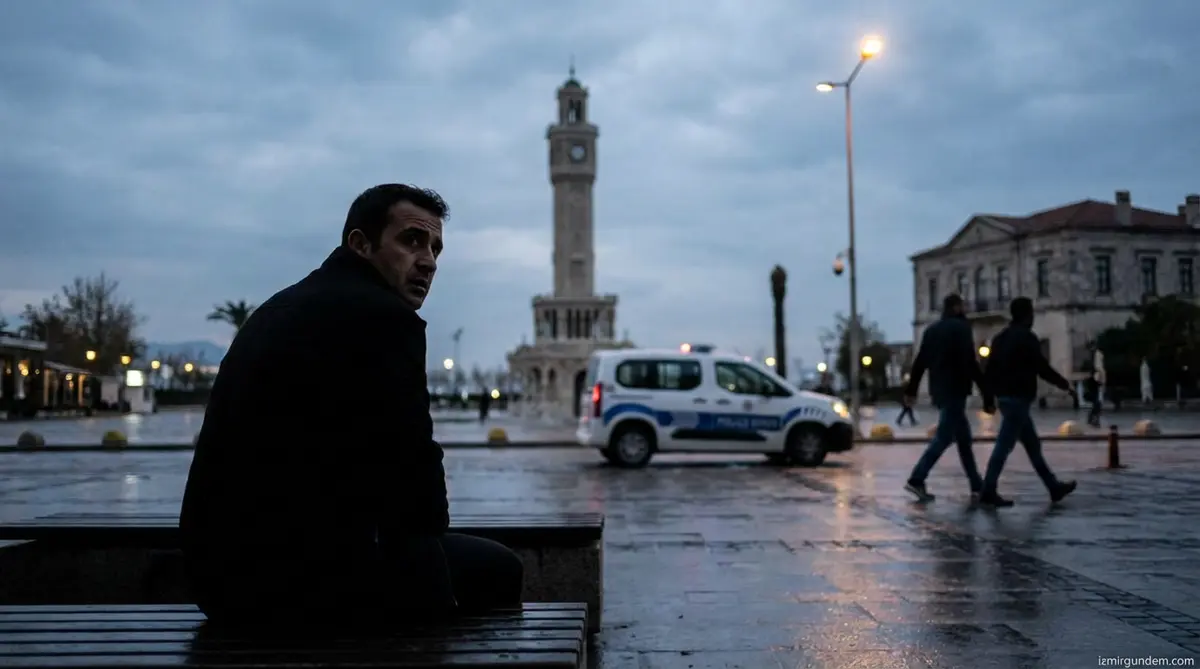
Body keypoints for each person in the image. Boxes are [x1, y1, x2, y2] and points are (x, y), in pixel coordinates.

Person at [179, 184, 523, 629]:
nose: (429, 261)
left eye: (436, 248)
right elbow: (416, 477)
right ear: (360, 244)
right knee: (497, 570)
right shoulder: (383, 319)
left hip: (220, 575)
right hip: (290, 580)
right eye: (411, 240)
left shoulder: (284, 306)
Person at [978, 298, 1077, 507]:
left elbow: (989, 371)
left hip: (1005, 398)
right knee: (1003, 446)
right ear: (1027, 315)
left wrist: (988, 398)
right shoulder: (1027, 338)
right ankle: (988, 489)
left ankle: (1053, 488)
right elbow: (1041, 367)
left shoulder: (999, 338)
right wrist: (1063, 384)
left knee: (1032, 445)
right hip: (1018, 399)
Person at [902, 294, 993, 502]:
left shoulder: (931, 330)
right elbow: (971, 363)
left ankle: (976, 485)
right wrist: (986, 393)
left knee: (964, 440)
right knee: (944, 437)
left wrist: (911, 390)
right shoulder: (961, 329)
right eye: (962, 305)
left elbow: (920, 362)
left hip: (939, 389)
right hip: (956, 389)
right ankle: (917, 478)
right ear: (957, 307)